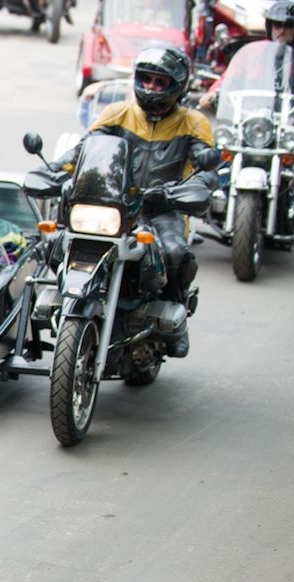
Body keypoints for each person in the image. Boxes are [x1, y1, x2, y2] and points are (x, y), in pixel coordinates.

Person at [79, 46, 217, 357]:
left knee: (176, 253)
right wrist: (54, 172)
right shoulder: (117, 113)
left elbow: (207, 172)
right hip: (114, 207)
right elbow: (82, 152)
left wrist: (189, 190)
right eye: (146, 79)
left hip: (164, 209)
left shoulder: (192, 122)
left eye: (160, 81)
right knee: (62, 242)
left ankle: (176, 317)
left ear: (177, 86)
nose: (152, 87)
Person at [199, 1, 294, 109]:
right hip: (255, 112)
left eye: (288, 26)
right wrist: (213, 93)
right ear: (270, 27)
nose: (282, 31)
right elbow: (230, 76)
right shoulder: (253, 52)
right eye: (277, 25)